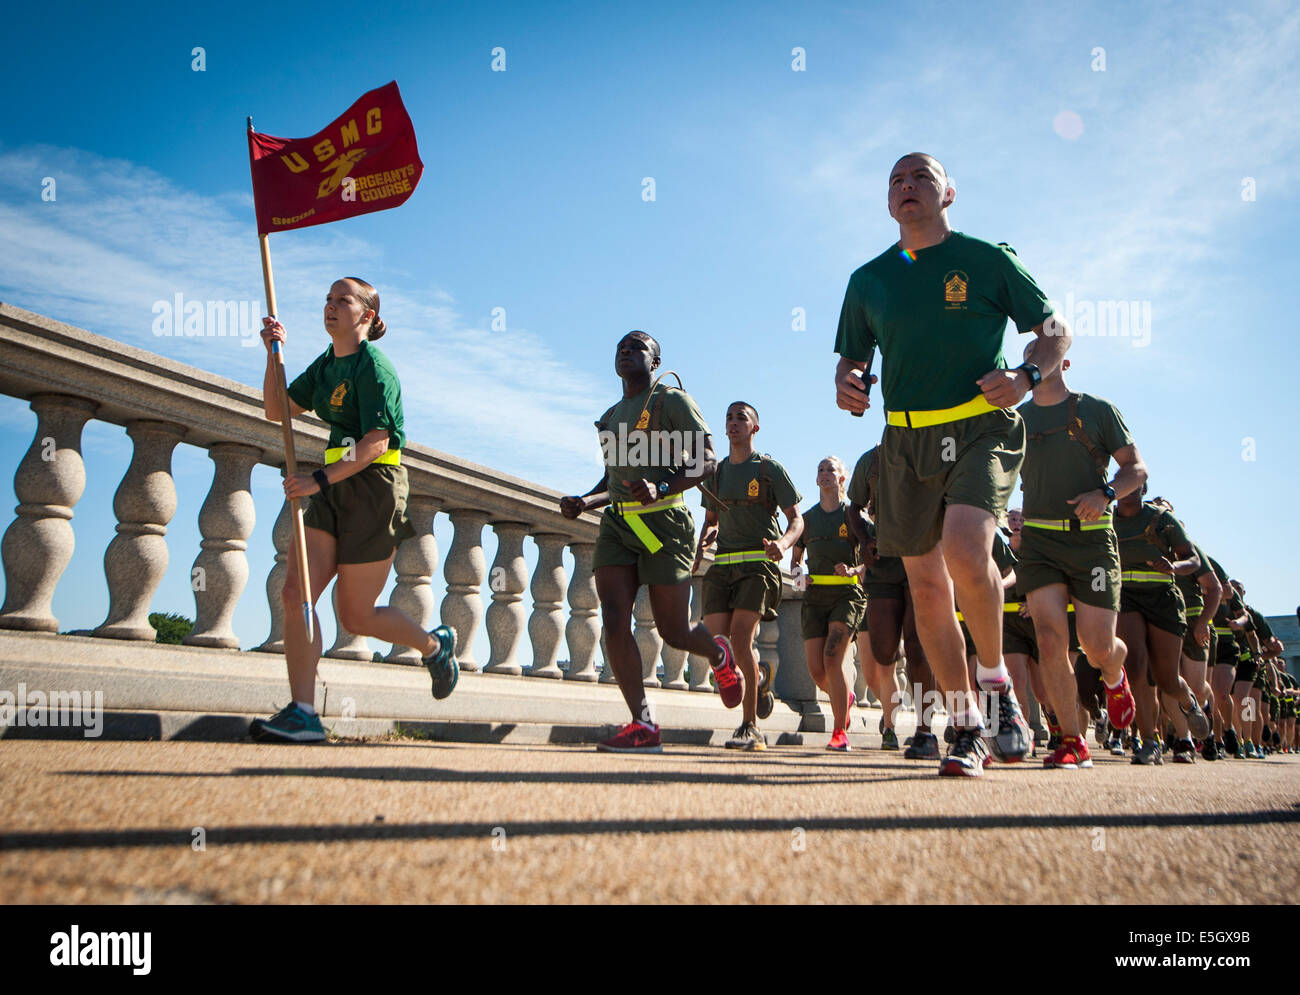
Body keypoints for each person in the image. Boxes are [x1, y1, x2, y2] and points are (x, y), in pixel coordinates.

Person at [834, 152, 1070, 776]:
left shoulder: (987, 259)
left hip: (980, 424)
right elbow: (849, 359)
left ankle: (996, 688)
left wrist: (1027, 374)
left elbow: (1055, 331)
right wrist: (850, 382)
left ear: (949, 194)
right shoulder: (868, 279)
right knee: (926, 583)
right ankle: (966, 724)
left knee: (967, 549)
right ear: (888, 201)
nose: (907, 187)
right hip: (905, 441)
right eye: (896, 181)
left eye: (921, 179)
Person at [251, 278, 458, 743]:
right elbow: (276, 409)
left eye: (342, 300)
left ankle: (434, 646)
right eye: (326, 299)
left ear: (366, 315)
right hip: (331, 487)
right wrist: (272, 352)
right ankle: (304, 712)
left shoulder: (375, 367)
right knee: (294, 593)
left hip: (374, 489)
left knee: (356, 615)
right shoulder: (326, 364)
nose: (330, 306)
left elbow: (377, 442)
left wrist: (317, 480)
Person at [560, 331, 737, 753]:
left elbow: (707, 461)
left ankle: (718, 655)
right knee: (615, 619)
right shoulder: (609, 415)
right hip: (619, 526)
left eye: (636, 347)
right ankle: (642, 724)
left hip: (666, 524)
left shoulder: (672, 401)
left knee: (674, 630)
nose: (625, 351)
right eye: (620, 347)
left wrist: (660, 486)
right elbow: (614, 481)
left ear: (655, 361)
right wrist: (585, 500)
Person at [1016, 355, 1144, 769]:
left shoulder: (1097, 410)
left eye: (1046, 354)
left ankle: (1114, 675)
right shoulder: (1015, 419)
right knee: (1051, 641)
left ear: (1064, 362)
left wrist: (1106, 494)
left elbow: (1136, 469)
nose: (1037, 361)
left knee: (1096, 645)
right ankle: (1072, 740)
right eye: (1029, 357)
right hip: (1038, 542)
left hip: (1091, 544)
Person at [695, 402, 803, 751]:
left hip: (757, 564)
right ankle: (758, 679)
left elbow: (796, 519)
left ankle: (749, 727)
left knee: (741, 641)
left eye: (742, 417)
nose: (733, 422)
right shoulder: (716, 472)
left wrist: (783, 545)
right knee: (716, 643)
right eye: (729, 417)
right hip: (723, 565)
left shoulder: (769, 469)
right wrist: (703, 542)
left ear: (755, 428)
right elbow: (711, 519)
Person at [846, 446, 938, 758]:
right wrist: (865, 540)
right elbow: (853, 508)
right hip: (883, 561)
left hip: (923, 555)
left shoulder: (931, 446)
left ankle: (925, 730)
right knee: (884, 652)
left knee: (917, 647)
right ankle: (909, 646)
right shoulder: (870, 459)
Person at [1112, 486, 1212, 764]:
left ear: (1143, 489)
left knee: (1167, 679)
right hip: (1126, 598)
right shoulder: (1106, 519)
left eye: (1135, 488)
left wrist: (1175, 567)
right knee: (1135, 668)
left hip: (1163, 600)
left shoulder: (1162, 519)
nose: (1129, 493)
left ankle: (1189, 701)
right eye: (1123, 488)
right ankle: (1149, 741)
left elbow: (1192, 558)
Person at [790, 457, 868, 751]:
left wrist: (855, 571)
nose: (824, 473)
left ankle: (839, 732)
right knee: (817, 670)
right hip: (815, 597)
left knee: (833, 658)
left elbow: (874, 557)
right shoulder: (808, 519)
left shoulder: (853, 516)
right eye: (820, 469)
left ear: (842, 478)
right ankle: (844, 698)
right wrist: (801, 579)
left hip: (847, 596)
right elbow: (795, 561)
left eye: (830, 469)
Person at [1148, 498, 1223, 760]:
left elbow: (1215, 589)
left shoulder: (1191, 551)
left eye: (1164, 508)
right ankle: (1184, 740)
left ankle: (1207, 726)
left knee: (1196, 685)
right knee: (1169, 681)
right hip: (1163, 617)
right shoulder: (1145, 545)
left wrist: (1203, 623)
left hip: (1192, 621)